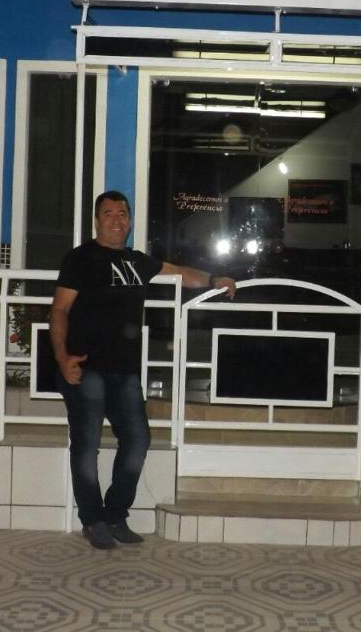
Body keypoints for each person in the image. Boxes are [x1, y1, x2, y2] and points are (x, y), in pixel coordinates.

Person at [50, 190, 236, 549]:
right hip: (85, 367)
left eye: (123, 213)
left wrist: (214, 280)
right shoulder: (80, 259)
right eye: (108, 213)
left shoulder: (137, 261)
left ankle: (116, 514)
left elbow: (181, 273)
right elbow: (58, 310)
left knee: (137, 441)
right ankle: (93, 520)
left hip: (125, 371)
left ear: (130, 220)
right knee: (86, 447)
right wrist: (62, 358)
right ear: (96, 220)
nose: (117, 219)